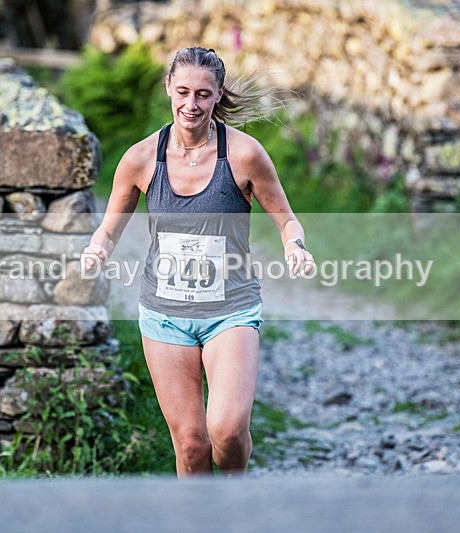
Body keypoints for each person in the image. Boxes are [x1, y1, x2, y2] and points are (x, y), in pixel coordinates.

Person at [82, 47, 315, 477]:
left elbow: (287, 220)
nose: (192, 104)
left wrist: (295, 246)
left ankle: (234, 497)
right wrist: (97, 249)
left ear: (218, 95)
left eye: (203, 94)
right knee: (191, 444)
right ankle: (203, 513)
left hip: (230, 310)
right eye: (184, 92)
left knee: (227, 432)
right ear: (168, 87)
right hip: (164, 315)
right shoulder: (140, 158)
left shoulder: (244, 154)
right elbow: (108, 230)